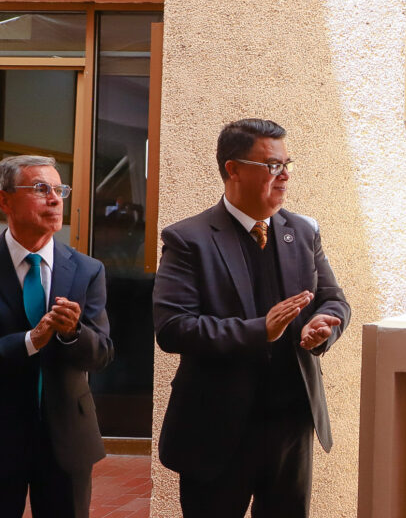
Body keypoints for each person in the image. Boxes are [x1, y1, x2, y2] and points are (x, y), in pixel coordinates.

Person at [153, 118, 350, 517]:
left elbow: (334, 301)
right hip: (216, 431)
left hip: (291, 427)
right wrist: (261, 329)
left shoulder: (303, 231)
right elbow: (174, 328)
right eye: (273, 166)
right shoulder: (188, 239)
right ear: (233, 169)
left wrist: (324, 326)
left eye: (287, 164)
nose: (285, 176)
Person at [0, 155, 113, 518]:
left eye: (59, 189)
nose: (56, 199)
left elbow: (102, 354)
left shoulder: (87, 270)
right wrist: (31, 340)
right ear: (4, 200)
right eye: (40, 189)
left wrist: (74, 332)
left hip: (67, 440)